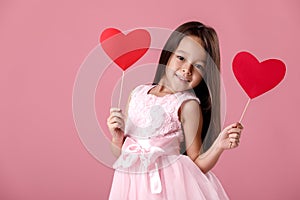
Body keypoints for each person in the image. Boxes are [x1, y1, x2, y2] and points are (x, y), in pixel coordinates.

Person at [106, 21, 243, 200]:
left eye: (199, 66)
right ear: (168, 54)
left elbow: (196, 164)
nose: (187, 69)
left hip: (167, 188)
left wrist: (219, 146)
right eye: (181, 58)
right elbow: (121, 156)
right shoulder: (137, 93)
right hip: (131, 186)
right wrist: (117, 137)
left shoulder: (187, 105)